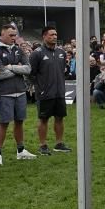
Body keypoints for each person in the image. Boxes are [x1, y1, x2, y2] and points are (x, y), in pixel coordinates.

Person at [0, 23, 37, 166]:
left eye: (15, 35)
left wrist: (10, 67)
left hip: (20, 91)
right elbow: (0, 73)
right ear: (2, 34)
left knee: (19, 121)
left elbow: (28, 69)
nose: (13, 37)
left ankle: (20, 150)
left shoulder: (17, 49)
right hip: (4, 93)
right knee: (3, 123)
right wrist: (17, 69)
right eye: (10, 35)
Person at [29, 26, 72, 155]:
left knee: (60, 117)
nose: (54, 37)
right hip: (44, 93)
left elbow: (63, 70)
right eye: (51, 34)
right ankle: (43, 145)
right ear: (44, 36)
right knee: (44, 119)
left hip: (59, 92)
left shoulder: (61, 53)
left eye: (56, 34)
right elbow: (31, 73)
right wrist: (39, 87)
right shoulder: (37, 53)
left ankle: (59, 143)